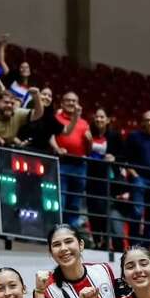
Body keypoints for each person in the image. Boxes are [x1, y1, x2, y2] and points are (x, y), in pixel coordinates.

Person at [124, 111, 150, 246]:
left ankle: (146, 246)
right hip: (139, 177)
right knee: (137, 212)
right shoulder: (134, 136)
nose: (149, 122)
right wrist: (134, 174)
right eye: (146, 120)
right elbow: (126, 158)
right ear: (142, 122)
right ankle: (134, 244)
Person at [86, 108, 124, 248]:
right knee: (92, 208)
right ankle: (97, 240)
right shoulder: (89, 133)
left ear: (107, 120)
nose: (99, 119)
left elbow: (124, 156)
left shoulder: (114, 136)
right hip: (91, 175)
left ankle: (106, 241)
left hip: (107, 177)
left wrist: (114, 158)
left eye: (102, 117)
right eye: (97, 117)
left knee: (103, 208)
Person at [54, 91, 92, 229]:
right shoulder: (56, 118)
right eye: (68, 100)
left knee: (75, 203)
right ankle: (59, 229)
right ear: (62, 103)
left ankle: (72, 232)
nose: (71, 103)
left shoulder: (84, 123)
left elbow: (88, 150)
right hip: (62, 162)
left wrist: (90, 141)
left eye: (74, 101)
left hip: (79, 165)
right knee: (61, 199)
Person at [0, 33, 32, 104]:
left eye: (26, 67)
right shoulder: (13, 81)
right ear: (19, 70)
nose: (24, 69)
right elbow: (2, 61)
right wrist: (2, 46)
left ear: (30, 71)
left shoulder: (31, 90)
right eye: (22, 67)